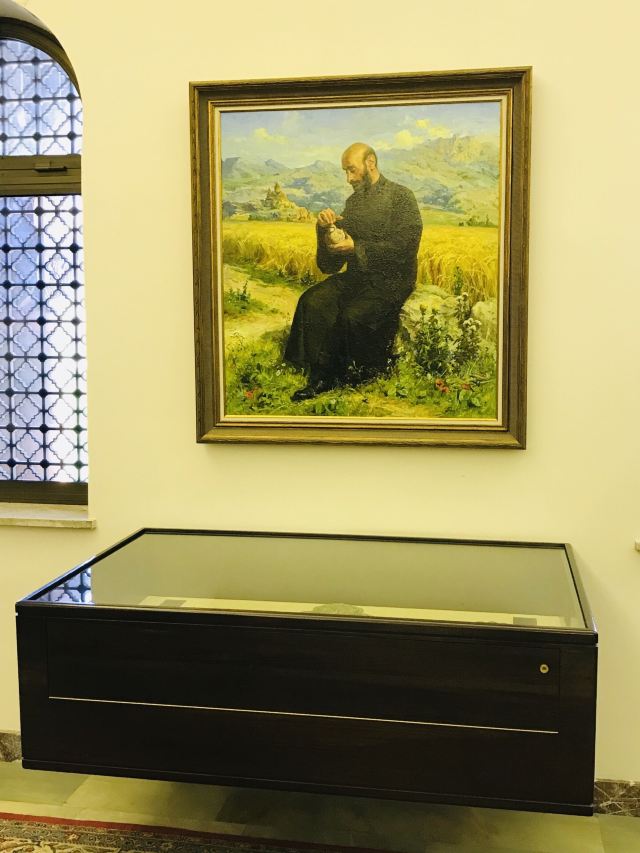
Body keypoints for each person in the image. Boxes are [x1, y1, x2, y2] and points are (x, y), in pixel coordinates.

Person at [284, 142, 423, 401]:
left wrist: (356, 247)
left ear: (370, 163)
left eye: (352, 170)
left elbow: (404, 247)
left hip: (391, 282)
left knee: (352, 316)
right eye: (345, 172)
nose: (348, 179)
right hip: (357, 277)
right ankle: (313, 369)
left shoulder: (401, 197)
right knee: (313, 300)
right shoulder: (354, 202)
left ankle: (344, 375)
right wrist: (326, 230)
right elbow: (330, 265)